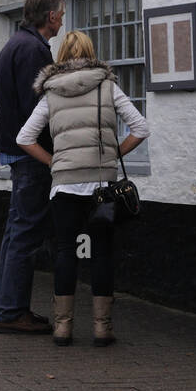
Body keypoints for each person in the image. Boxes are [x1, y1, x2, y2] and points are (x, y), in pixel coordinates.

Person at [15, 30, 150, 347]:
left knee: (66, 253)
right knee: (101, 253)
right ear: (91, 53)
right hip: (101, 187)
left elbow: (24, 138)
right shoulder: (108, 87)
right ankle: (102, 329)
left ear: (61, 56)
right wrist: (113, 154)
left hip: (64, 187)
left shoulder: (51, 93)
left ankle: (63, 329)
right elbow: (141, 128)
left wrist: (53, 163)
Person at [0, 0, 66, 334]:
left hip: (15, 148)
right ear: (50, 16)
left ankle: (8, 306)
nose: (63, 19)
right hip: (31, 154)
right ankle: (10, 313)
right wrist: (50, 153)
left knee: (14, 231)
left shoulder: (12, 44)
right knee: (25, 232)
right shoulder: (35, 51)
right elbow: (38, 109)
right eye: (61, 13)